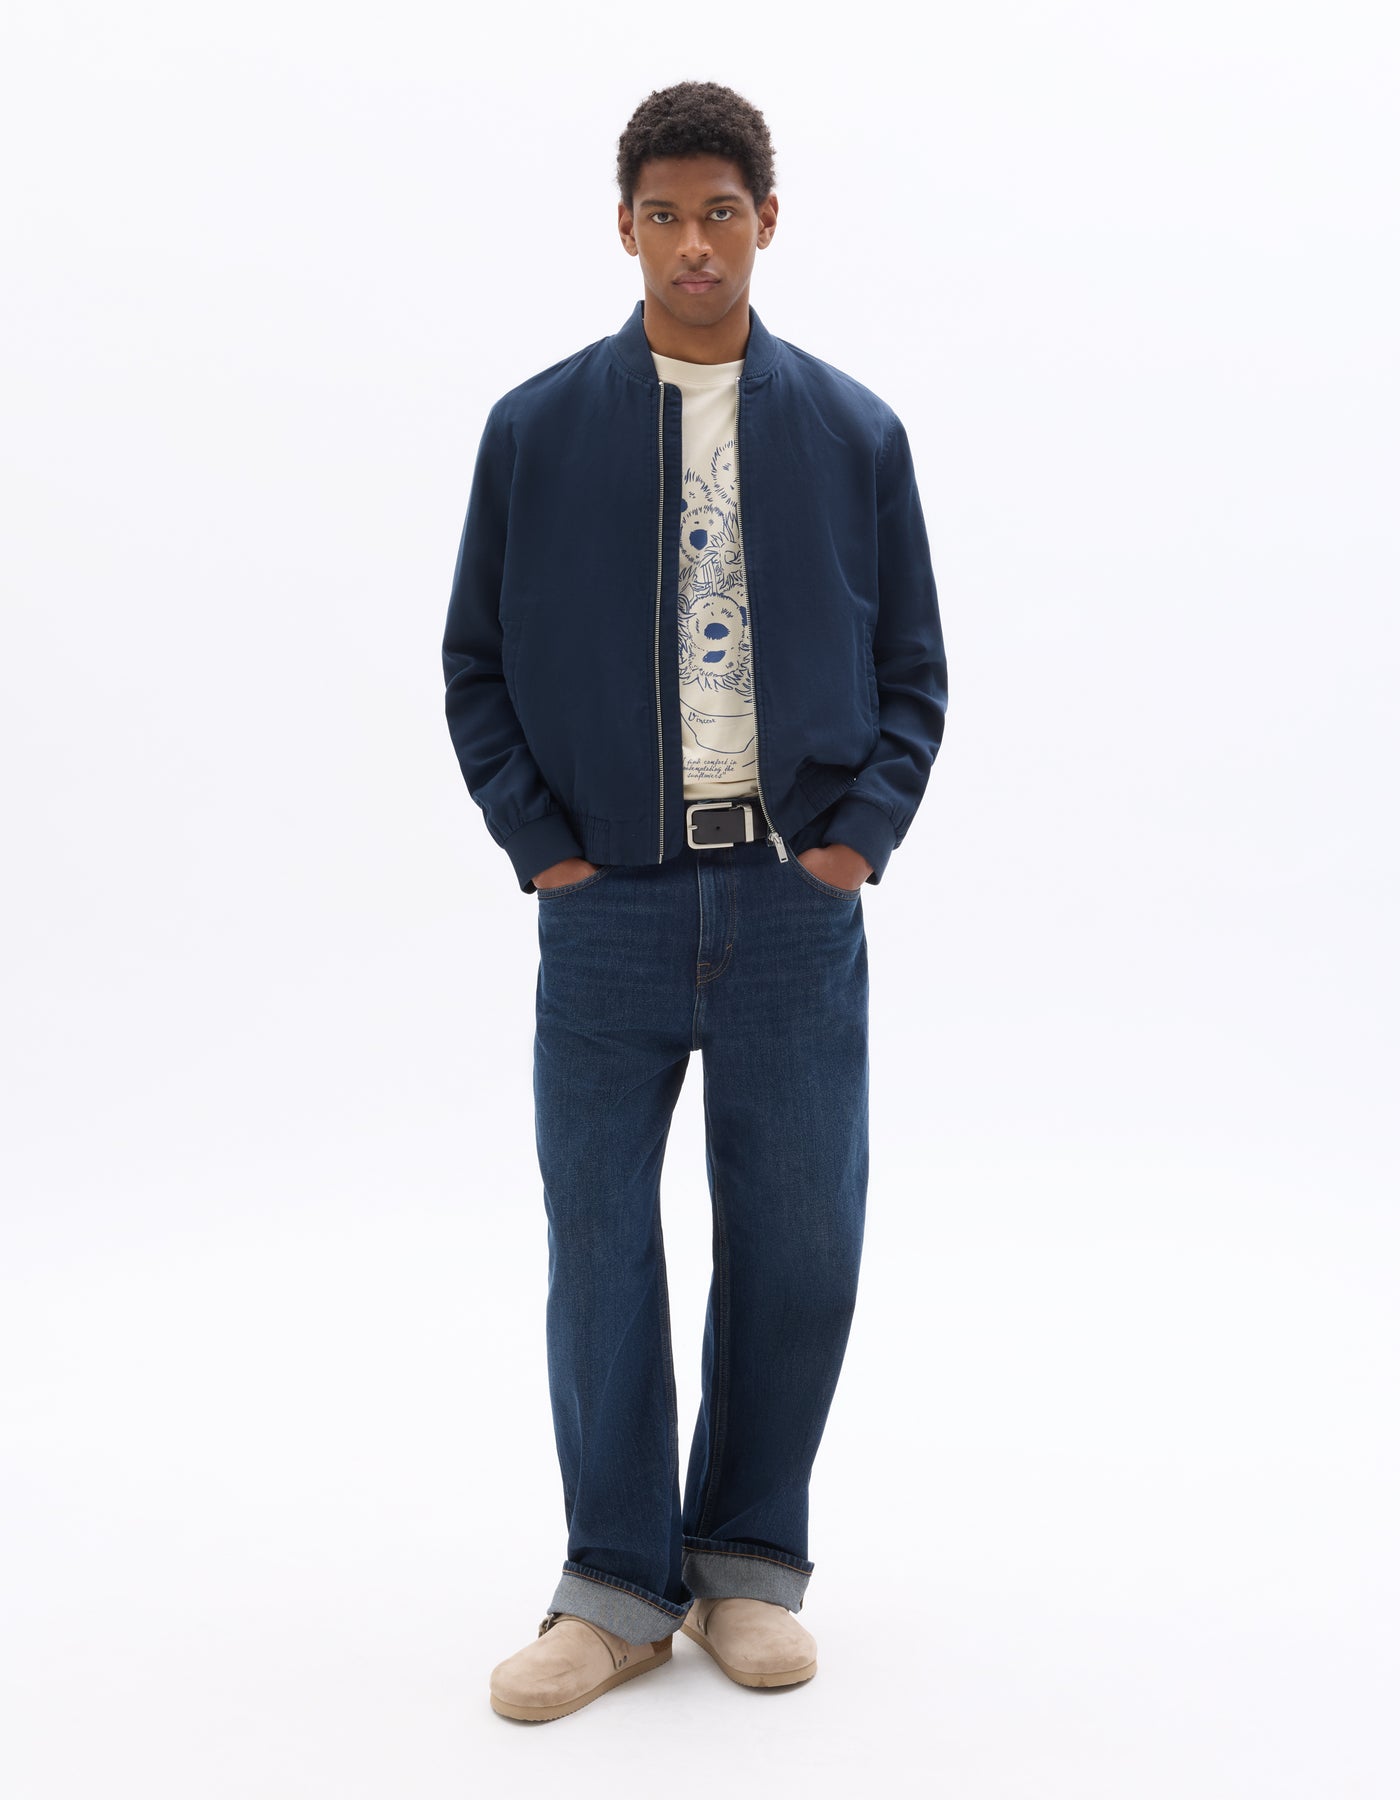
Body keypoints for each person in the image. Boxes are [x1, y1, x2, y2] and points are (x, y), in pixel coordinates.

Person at [441, 79, 948, 1722]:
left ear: (766, 221)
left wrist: (851, 843)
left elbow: (914, 671)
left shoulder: (854, 434)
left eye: (719, 211)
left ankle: (745, 1567)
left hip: (792, 905)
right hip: (607, 913)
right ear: (624, 228)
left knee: (800, 1241)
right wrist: (549, 850)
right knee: (600, 1244)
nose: (692, 243)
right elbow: (475, 666)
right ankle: (613, 1590)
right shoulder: (537, 430)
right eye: (661, 214)